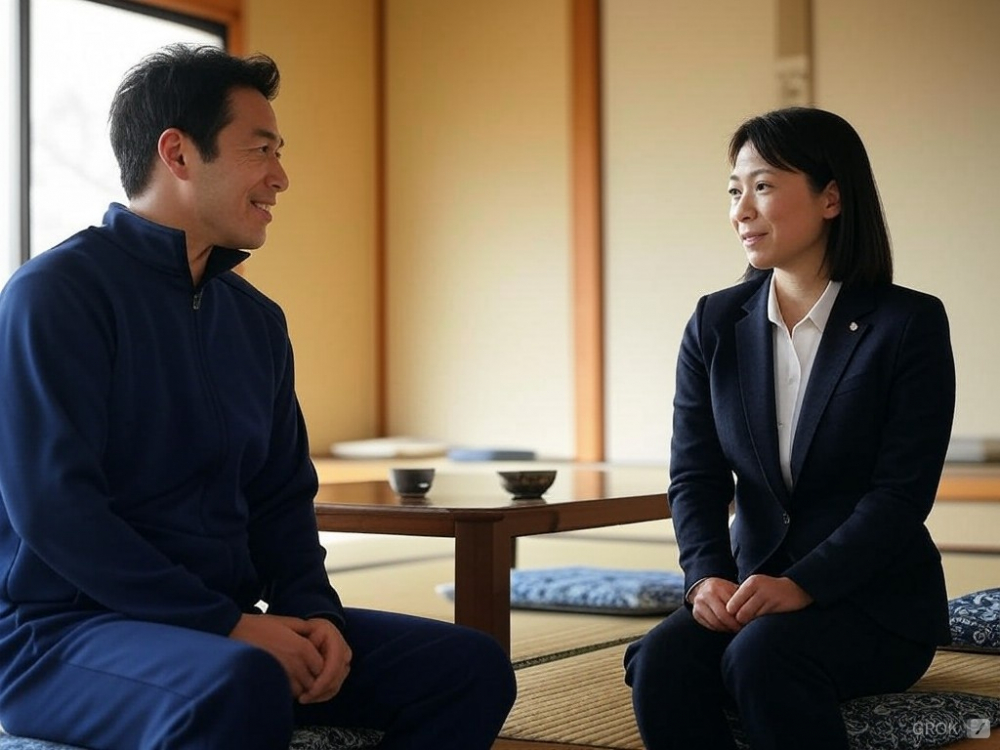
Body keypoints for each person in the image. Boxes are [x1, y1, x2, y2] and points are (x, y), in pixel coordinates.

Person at [0, 44, 515, 749]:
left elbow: (280, 498)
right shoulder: (56, 295)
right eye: (261, 150)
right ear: (178, 154)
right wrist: (225, 626)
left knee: (468, 667)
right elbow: (57, 513)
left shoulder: (255, 320)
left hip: (221, 628)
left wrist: (316, 614)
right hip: (62, 635)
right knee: (239, 683)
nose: (281, 177)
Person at [623, 107, 955, 750]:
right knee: (661, 662)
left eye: (763, 186)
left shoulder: (908, 324)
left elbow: (900, 495)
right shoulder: (715, 322)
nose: (741, 211)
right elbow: (694, 475)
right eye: (734, 191)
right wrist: (705, 578)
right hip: (750, 592)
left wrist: (804, 584)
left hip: (871, 600)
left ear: (831, 198)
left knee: (762, 659)